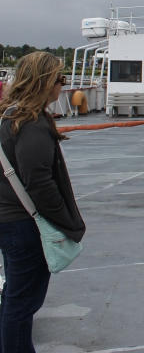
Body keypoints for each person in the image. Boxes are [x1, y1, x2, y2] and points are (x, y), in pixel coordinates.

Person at [0, 52, 86, 351]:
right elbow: (38, 181)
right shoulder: (31, 122)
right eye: (60, 79)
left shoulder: (7, 115)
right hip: (23, 226)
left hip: (8, 221)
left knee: (13, 297)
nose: (63, 86)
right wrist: (67, 222)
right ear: (45, 82)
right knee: (22, 305)